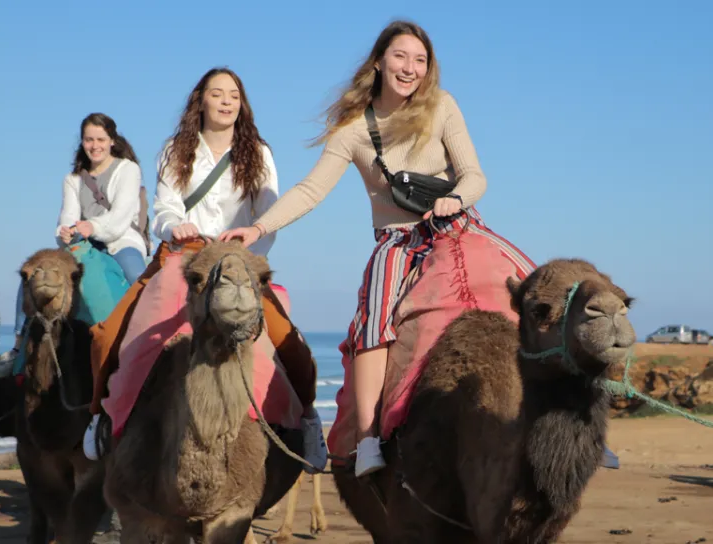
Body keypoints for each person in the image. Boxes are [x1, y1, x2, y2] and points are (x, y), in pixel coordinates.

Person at [220, 20, 537, 477]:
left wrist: (455, 199)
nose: (410, 68)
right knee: (375, 317)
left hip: (456, 226)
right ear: (379, 61)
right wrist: (258, 227)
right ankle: (368, 438)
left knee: (536, 291)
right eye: (401, 57)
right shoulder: (352, 130)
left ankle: (574, 415)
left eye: (420, 60)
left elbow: (475, 176)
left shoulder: (442, 107)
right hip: (399, 239)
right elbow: (311, 190)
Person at [81, 67, 327, 472]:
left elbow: (269, 214)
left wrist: (249, 249)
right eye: (217, 93)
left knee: (289, 342)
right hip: (183, 256)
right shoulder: (175, 149)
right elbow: (163, 206)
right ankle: (99, 417)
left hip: (237, 261)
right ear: (202, 100)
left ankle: (310, 420)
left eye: (234, 94)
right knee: (110, 334)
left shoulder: (260, 153)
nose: (227, 101)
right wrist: (173, 225)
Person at [0, 113, 148, 379]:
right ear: (82, 142)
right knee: (32, 273)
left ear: (111, 141)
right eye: (89, 140)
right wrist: (64, 232)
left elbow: (121, 217)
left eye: (100, 139)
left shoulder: (127, 169)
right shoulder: (73, 179)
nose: (94, 145)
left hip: (121, 240)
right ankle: (18, 346)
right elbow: (67, 216)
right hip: (83, 244)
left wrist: (92, 227)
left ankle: (149, 346)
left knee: (139, 280)